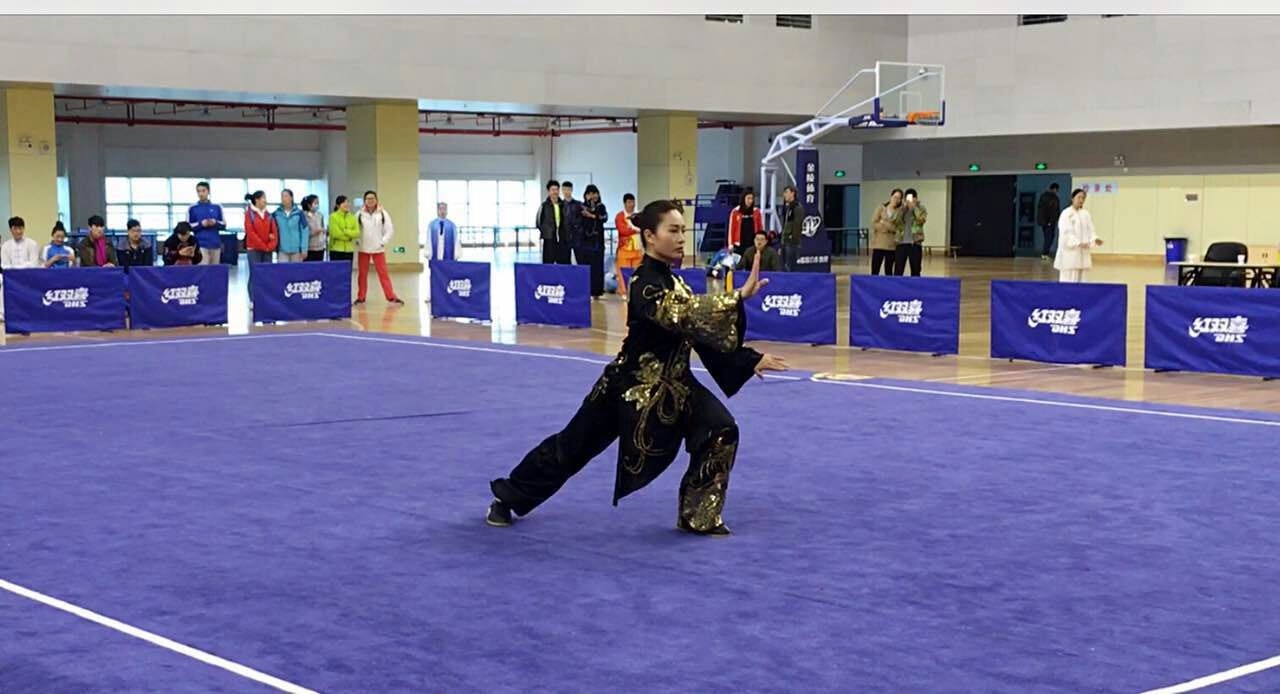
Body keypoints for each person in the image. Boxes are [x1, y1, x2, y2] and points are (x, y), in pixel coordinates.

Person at [485, 199, 790, 536]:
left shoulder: (678, 283)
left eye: (683, 231)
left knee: (721, 430)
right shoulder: (644, 283)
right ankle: (508, 497)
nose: (681, 238)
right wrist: (737, 297)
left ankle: (698, 515)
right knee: (570, 449)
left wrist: (748, 360)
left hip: (676, 386)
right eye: (672, 231)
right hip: (626, 388)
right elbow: (682, 313)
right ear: (650, 236)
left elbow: (699, 334)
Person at [355, 190, 404, 305]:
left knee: (383, 273)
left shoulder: (383, 213)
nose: (370, 201)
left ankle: (391, 296)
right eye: (368, 199)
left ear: (376, 200)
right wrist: (358, 241)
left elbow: (389, 230)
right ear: (364, 201)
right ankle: (361, 297)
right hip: (363, 249)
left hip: (378, 249)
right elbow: (355, 230)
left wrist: (383, 242)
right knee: (362, 274)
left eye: (372, 198)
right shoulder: (359, 214)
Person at [1054, 188, 1103, 283]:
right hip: (1070, 255)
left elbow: (1090, 230)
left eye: (1083, 198)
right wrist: (1077, 243)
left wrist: (1095, 239)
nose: (1081, 200)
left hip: (1083, 254)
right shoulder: (1066, 213)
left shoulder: (1085, 214)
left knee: (1083, 282)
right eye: (1079, 197)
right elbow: (1066, 232)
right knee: (1069, 281)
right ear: (1072, 198)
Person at [244, 190, 278, 298]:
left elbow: (274, 232)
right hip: (254, 250)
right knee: (255, 274)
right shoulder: (249, 214)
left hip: (268, 250)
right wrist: (263, 246)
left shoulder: (269, 215)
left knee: (267, 274)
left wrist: (271, 245)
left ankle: (266, 298)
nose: (265, 200)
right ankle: (253, 299)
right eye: (263, 198)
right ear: (257, 200)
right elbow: (251, 233)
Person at [188, 181, 226, 266]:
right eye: (198, 191)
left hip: (215, 244)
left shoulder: (217, 207)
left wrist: (215, 223)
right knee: (203, 270)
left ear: (208, 191)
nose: (200, 194)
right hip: (200, 244)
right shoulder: (192, 208)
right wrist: (201, 224)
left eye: (203, 191)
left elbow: (224, 225)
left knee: (215, 270)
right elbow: (188, 227)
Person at [580, 184, 607, 298]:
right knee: (586, 266)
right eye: (589, 194)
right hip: (585, 242)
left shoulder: (601, 207)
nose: (592, 196)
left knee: (598, 267)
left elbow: (604, 218)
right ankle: (586, 290)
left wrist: (592, 215)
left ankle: (597, 291)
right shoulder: (582, 207)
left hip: (598, 242)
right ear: (585, 195)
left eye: (595, 193)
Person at [613, 193, 643, 296]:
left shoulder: (639, 215)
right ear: (625, 203)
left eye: (633, 202)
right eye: (629, 202)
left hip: (638, 250)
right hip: (624, 249)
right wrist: (636, 230)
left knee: (637, 273)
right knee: (623, 274)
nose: (632, 204)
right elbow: (623, 230)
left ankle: (636, 293)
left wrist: (634, 229)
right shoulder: (620, 216)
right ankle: (624, 293)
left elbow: (644, 227)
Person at [870, 189, 903, 275]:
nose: (896, 200)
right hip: (879, 244)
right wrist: (886, 228)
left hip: (891, 245)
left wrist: (884, 222)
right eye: (895, 197)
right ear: (891, 197)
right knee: (875, 270)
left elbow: (897, 228)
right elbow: (874, 223)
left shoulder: (899, 212)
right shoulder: (881, 208)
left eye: (899, 198)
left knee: (889, 271)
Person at [894, 188, 926, 277]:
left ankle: (915, 286)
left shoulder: (921, 208)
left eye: (912, 198)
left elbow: (921, 220)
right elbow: (895, 221)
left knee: (916, 270)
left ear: (916, 198)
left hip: (915, 243)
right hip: (901, 243)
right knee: (898, 270)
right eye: (908, 198)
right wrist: (903, 209)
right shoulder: (901, 209)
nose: (910, 200)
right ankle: (898, 285)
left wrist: (914, 208)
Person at [273, 189, 308, 263]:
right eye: (282, 196)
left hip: (297, 250)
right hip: (282, 250)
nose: (283, 198)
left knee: (297, 270)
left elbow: (304, 231)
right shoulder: (276, 213)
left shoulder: (299, 213)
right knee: (283, 270)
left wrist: (304, 249)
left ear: (291, 198)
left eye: (286, 196)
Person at [727, 190, 764, 257]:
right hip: (739, 245)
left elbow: (760, 228)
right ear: (743, 199)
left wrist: (761, 242)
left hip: (753, 244)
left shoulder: (757, 212)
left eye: (752, 198)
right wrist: (730, 244)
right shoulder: (735, 211)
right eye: (748, 198)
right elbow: (731, 229)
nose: (750, 201)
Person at [536, 180, 564, 264]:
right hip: (549, 238)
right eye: (553, 190)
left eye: (557, 189)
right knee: (548, 261)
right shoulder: (544, 206)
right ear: (549, 191)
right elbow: (538, 222)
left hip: (562, 238)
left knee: (562, 262)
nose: (555, 192)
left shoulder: (563, 205)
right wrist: (546, 231)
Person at [779, 185, 804, 272]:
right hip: (785, 241)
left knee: (790, 266)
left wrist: (793, 239)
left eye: (786, 192)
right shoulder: (787, 208)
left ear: (792, 193)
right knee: (784, 266)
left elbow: (797, 226)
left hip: (792, 243)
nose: (784, 195)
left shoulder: (797, 208)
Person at [328, 195, 359, 264]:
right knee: (336, 270)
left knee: (348, 270)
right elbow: (336, 234)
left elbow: (357, 233)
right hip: (336, 250)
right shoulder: (333, 217)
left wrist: (345, 231)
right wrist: (349, 237)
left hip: (349, 250)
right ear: (338, 205)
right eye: (343, 202)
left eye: (347, 202)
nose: (346, 204)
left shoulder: (353, 217)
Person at [1037, 182, 1062, 262]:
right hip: (1048, 222)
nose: (1057, 191)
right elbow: (1045, 210)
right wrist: (1048, 221)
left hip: (1050, 221)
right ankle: (1044, 254)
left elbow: (1056, 210)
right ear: (1054, 189)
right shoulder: (1048, 197)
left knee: (1049, 237)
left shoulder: (1052, 197)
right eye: (1057, 190)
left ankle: (1045, 253)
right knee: (1049, 237)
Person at [561, 180, 584, 266]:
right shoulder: (560, 205)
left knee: (581, 260)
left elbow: (583, 219)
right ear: (562, 190)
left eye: (568, 189)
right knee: (565, 261)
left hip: (577, 237)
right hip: (564, 237)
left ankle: (581, 275)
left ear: (572, 190)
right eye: (564, 189)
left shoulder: (579, 204)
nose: (566, 192)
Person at [302, 194, 327, 262]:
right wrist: (314, 232)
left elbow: (322, 226)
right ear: (309, 205)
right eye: (315, 203)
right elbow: (303, 233)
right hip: (310, 248)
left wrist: (324, 231)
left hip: (320, 247)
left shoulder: (320, 215)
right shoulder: (304, 215)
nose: (317, 205)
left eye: (318, 203)